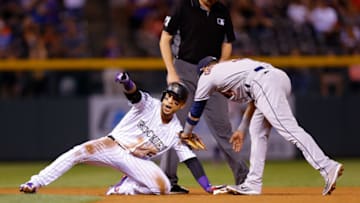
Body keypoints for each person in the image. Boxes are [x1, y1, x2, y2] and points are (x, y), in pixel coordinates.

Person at [19, 72, 223, 195]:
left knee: (163, 188)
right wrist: (126, 81)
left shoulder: (176, 131)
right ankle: (35, 182)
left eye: (175, 100)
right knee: (77, 152)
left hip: (137, 162)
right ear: (164, 97)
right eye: (168, 97)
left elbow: (190, 160)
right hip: (113, 146)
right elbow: (134, 95)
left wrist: (207, 187)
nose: (170, 102)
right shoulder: (149, 105)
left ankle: (123, 187)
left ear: (180, 106)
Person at [180, 56, 344, 196]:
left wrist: (186, 133)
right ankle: (253, 183)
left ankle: (327, 166)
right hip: (275, 78)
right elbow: (255, 99)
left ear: (204, 69)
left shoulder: (207, 74)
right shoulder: (230, 68)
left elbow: (197, 108)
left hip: (264, 82)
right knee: (257, 130)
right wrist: (242, 129)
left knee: (288, 129)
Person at [159, 0, 249, 194]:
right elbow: (165, 38)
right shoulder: (183, 6)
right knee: (175, 127)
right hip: (184, 70)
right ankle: (167, 180)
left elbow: (227, 42)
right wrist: (171, 71)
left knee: (223, 128)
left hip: (212, 73)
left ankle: (244, 180)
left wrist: (221, 65)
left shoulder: (221, 10)